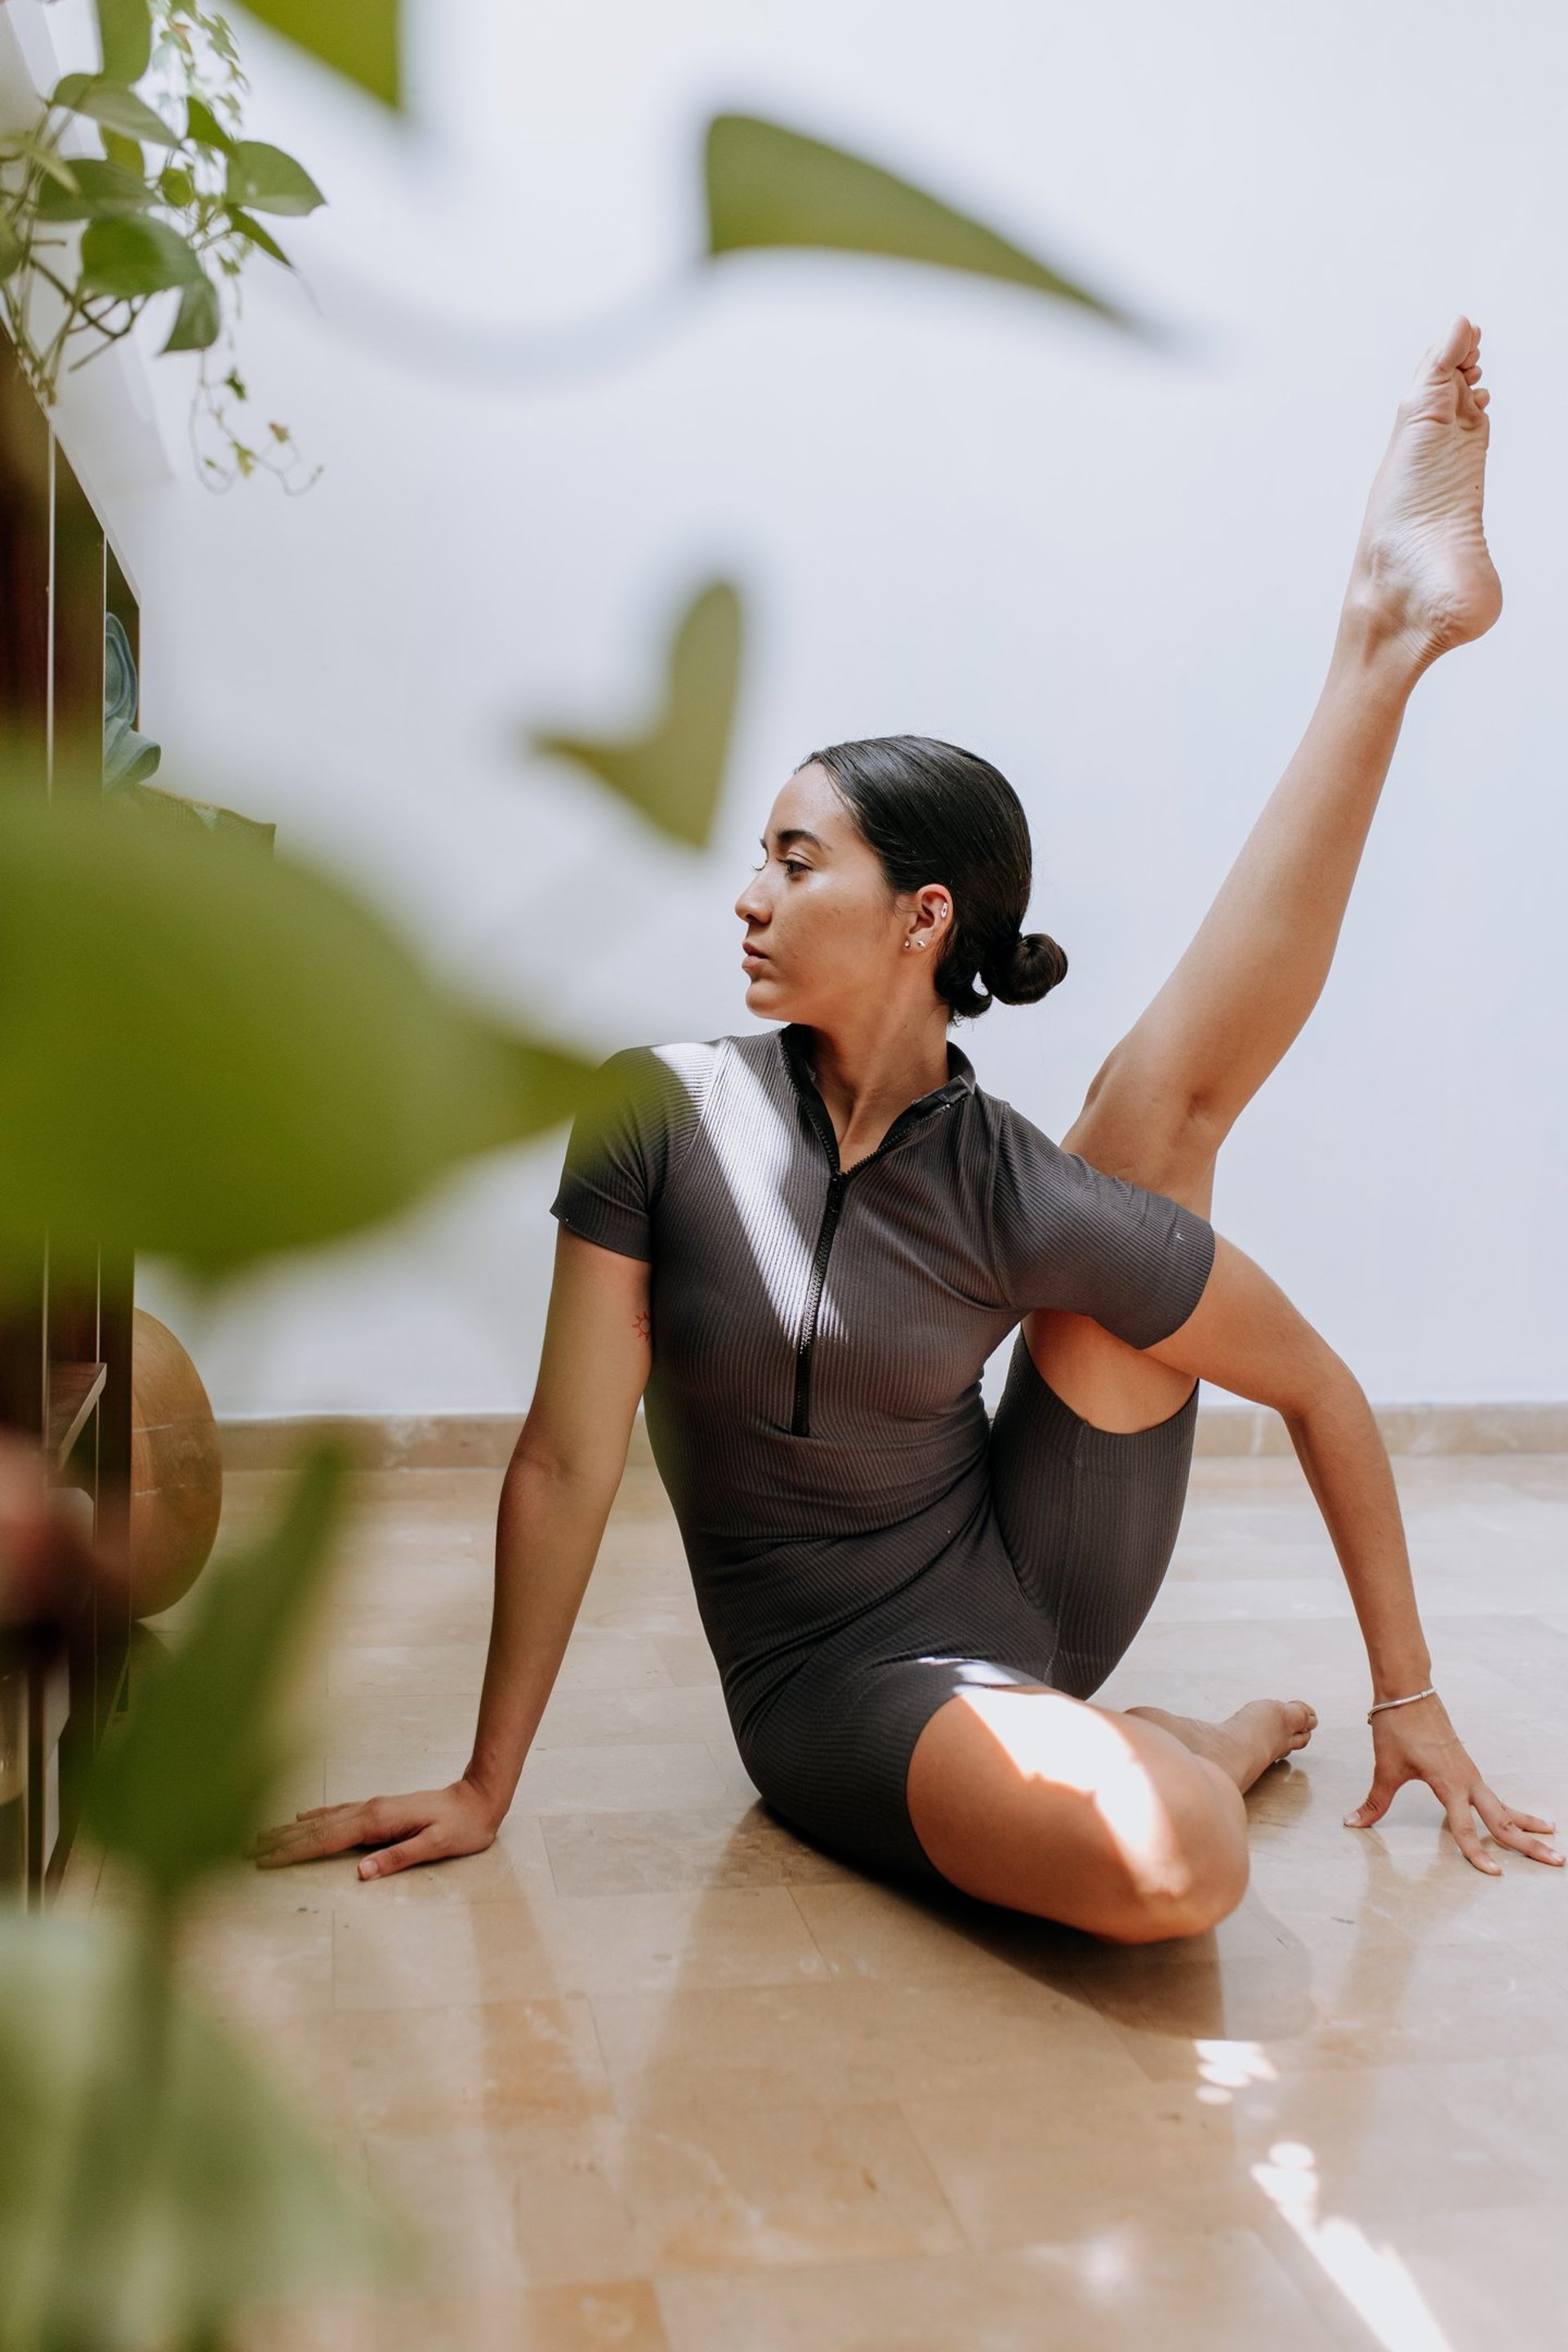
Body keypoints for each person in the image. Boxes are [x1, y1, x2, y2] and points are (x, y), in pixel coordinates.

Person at [257, 317, 1561, 1940]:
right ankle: (1201, 1746)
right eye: (758, 856)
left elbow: (1314, 1384)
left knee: (1160, 1122)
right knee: (1178, 1867)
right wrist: (484, 1781)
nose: (748, 894)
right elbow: (565, 1457)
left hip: (1037, 1586)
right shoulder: (659, 1115)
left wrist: (1407, 1693)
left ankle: (1389, 631)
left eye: (798, 863)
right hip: (842, 1683)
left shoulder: (1009, 1181)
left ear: (919, 917)